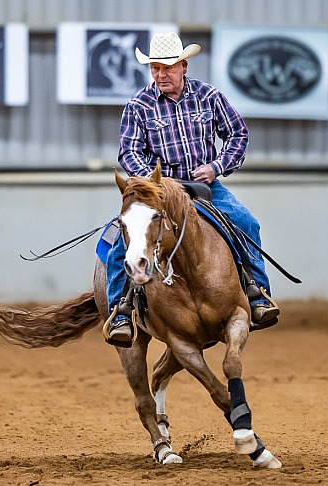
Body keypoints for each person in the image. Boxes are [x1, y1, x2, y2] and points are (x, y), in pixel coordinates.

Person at [105, 32, 279, 345]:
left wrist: (216, 167)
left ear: (184, 66)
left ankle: (257, 295)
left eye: (168, 68)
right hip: (159, 192)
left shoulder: (209, 96)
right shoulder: (138, 105)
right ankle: (121, 311)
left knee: (246, 222)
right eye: (155, 68)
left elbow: (238, 135)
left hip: (204, 187)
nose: (161, 74)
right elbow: (129, 152)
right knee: (120, 240)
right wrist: (151, 181)